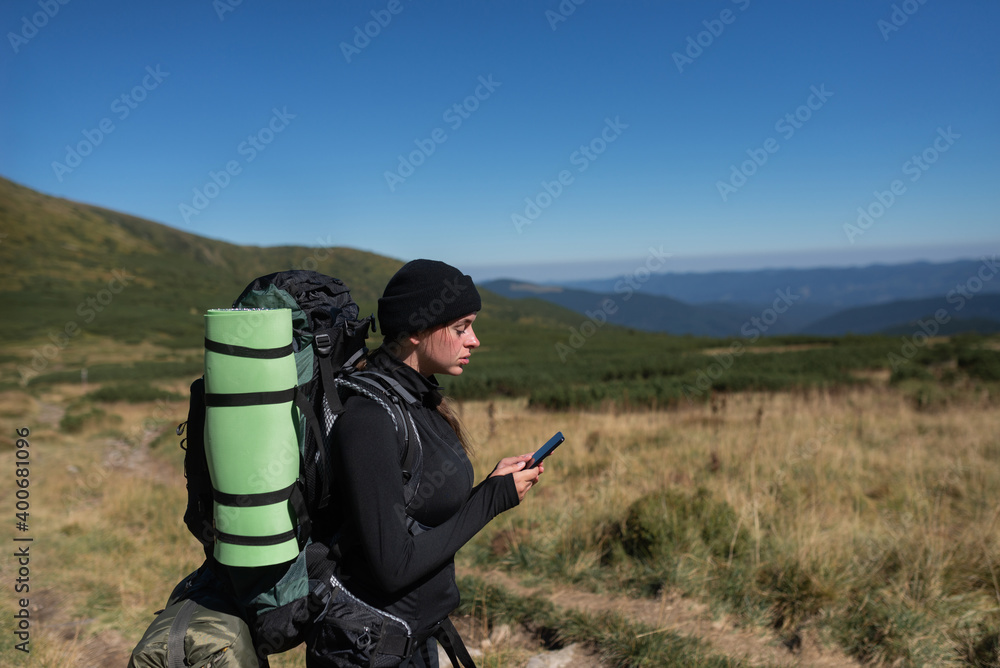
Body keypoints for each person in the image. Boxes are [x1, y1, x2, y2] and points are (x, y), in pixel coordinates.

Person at [306, 259, 544, 667]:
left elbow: (417, 515)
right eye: (461, 327)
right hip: (366, 649)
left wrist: (492, 484)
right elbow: (393, 566)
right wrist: (490, 499)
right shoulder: (369, 419)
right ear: (416, 331)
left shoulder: (418, 399)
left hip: (408, 637)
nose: (474, 340)